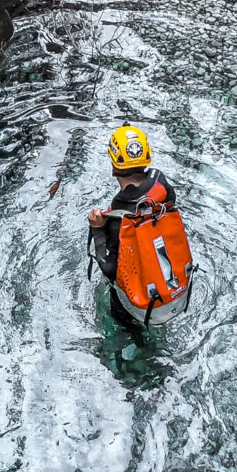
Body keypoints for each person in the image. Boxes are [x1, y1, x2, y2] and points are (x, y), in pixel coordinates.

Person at [88, 125, 176, 328]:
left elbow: (110, 269)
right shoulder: (162, 185)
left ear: (113, 159)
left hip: (137, 299)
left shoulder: (120, 216)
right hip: (166, 276)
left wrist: (98, 229)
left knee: (125, 329)